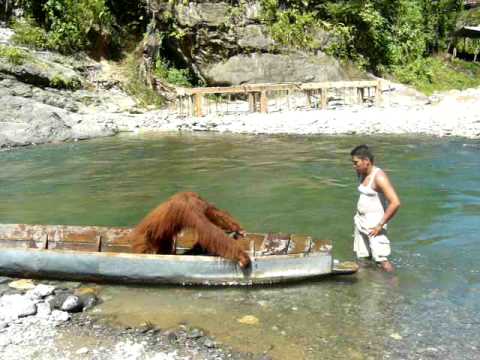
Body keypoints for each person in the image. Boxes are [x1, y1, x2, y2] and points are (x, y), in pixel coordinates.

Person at [351, 145, 400, 272]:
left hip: (375, 227)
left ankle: (393, 286)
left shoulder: (379, 177)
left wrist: (380, 225)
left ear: (366, 161)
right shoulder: (361, 173)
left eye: (356, 162)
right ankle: (366, 285)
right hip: (361, 223)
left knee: (382, 261)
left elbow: (395, 202)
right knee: (363, 259)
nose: (354, 166)